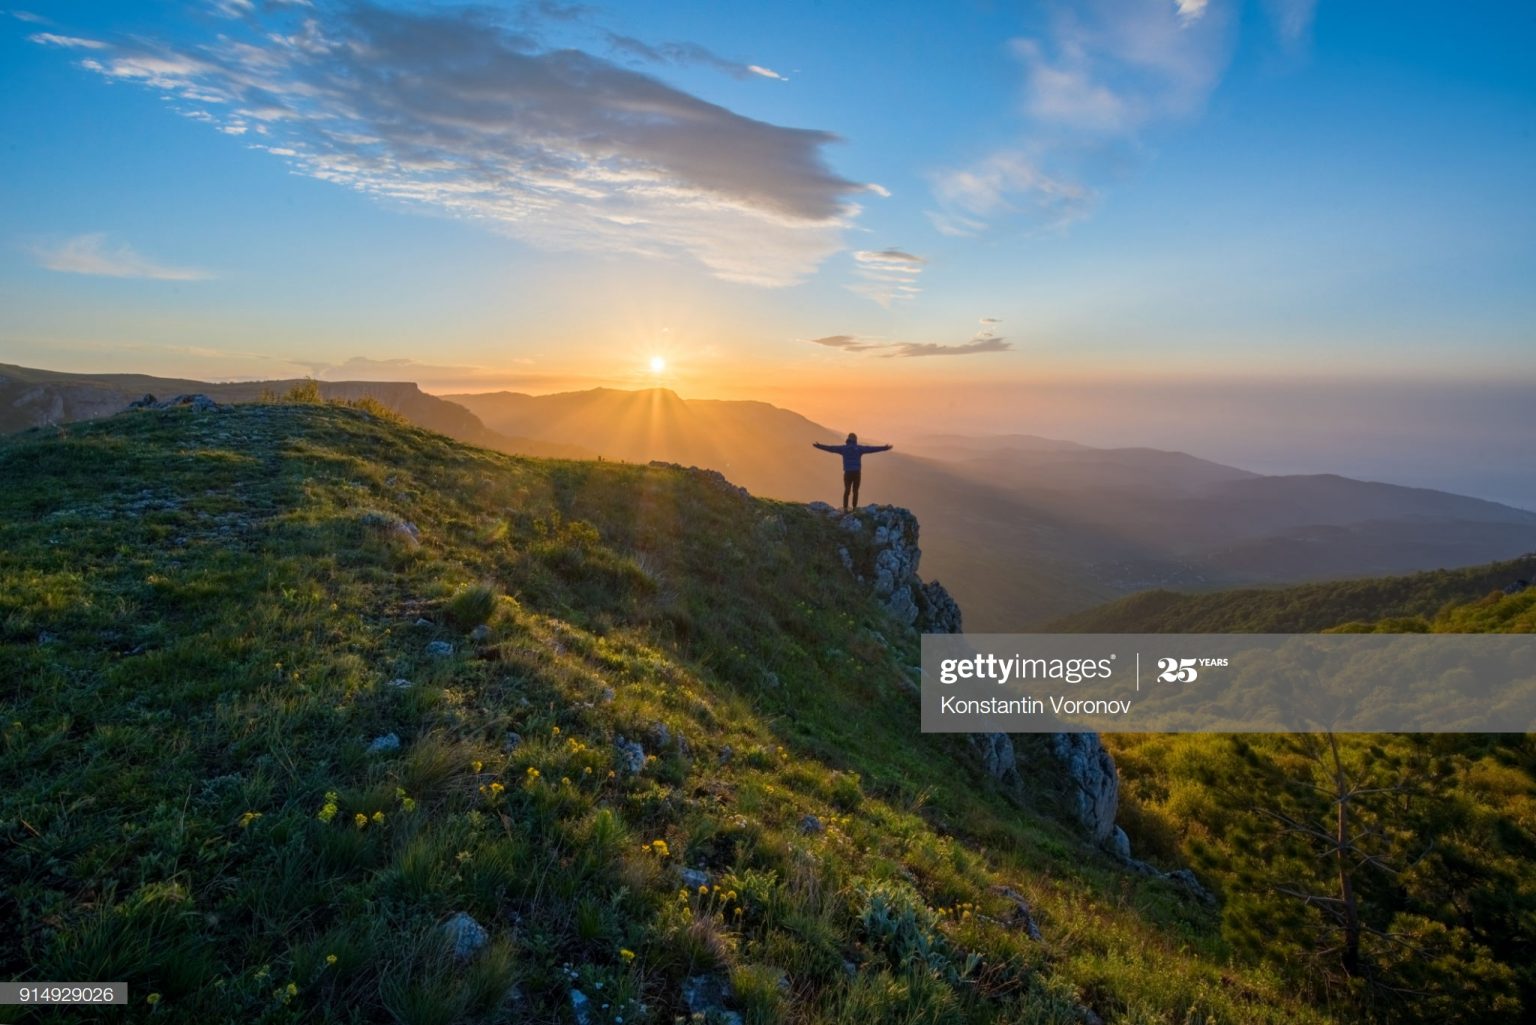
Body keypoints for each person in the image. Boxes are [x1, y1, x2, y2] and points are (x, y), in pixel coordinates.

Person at [812, 433, 893, 512]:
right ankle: (854, 509)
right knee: (855, 491)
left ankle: (845, 508)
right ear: (855, 440)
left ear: (848, 439)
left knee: (847, 490)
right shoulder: (859, 448)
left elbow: (831, 448)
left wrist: (819, 446)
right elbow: (871, 449)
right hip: (857, 473)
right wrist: (884, 448)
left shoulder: (843, 448)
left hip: (848, 473)